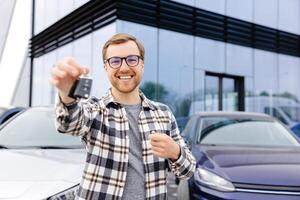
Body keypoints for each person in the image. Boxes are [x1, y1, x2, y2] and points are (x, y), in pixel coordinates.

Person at [51, 33, 196, 200]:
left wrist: (176, 152)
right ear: (106, 67)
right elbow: (70, 125)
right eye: (115, 61)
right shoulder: (95, 109)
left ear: (142, 64)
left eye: (132, 59)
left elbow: (188, 171)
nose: (124, 67)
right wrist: (67, 95)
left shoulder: (163, 113)